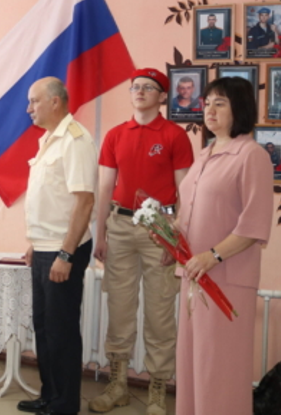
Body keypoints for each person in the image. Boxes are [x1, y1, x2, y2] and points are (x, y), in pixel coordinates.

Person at [88, 69, 193, 415]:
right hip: (119, 227)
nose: (140, 91)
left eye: (149, 87)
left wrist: (174, 238)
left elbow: (185, 193)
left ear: (162, 97)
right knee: (119, 308)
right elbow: (105, 187)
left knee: (160, 312)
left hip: (158, 230)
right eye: (135, 87)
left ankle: (157, 390)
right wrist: (100, 233)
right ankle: (118, 385)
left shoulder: (175, 135)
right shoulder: (115, 135)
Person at [175, 76, 273, 415]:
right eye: (207, 103)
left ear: (239, 109)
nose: (210, 110)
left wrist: (213, 255)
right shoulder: (205, 153)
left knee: (219, 369)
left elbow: (254, 224)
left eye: (220, 103)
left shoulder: (251, 155)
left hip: (226, 279)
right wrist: (170, 239)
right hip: (194, 275)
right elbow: (189, 211)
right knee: (192, 364)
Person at [17, 77, 96, 415]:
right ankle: (49, 395)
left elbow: (84, 202)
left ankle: (65, 404)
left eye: (34, 101)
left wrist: (65, 253)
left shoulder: (75, 140)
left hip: (65, 249)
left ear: (54, 101)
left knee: (61, 330)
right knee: (44, 327)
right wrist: (36, 244)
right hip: (45, 247)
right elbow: (50, 200)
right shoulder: (48, 140)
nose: (29, 109)